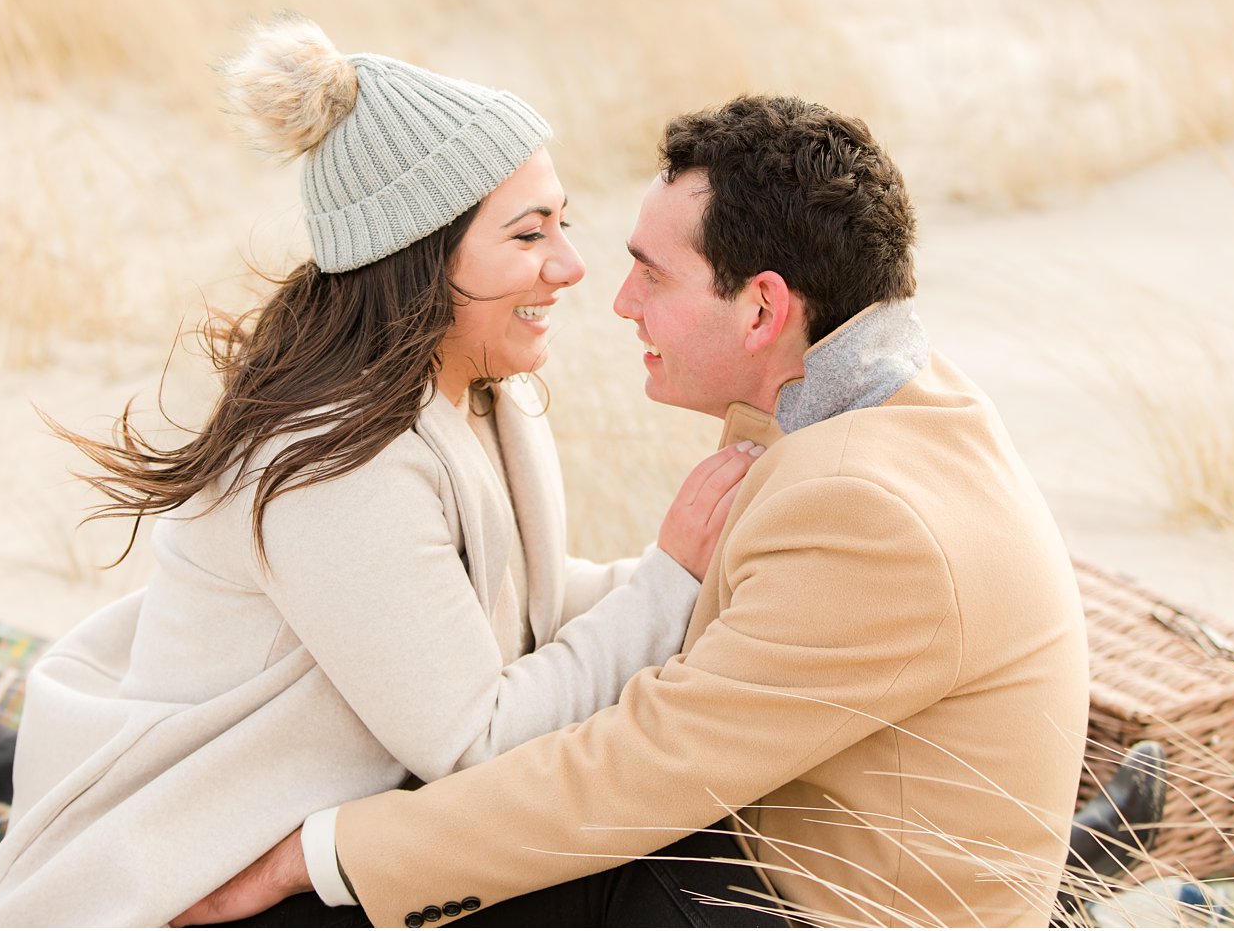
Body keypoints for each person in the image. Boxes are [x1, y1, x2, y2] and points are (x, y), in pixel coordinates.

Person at [0, 17, 768, 928]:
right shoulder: (341, 460)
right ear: (421, 256)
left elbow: (511, 615)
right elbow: (477, 741)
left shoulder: (475, 391)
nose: (572, 265)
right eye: (527, 234)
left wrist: (712, 577)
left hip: (315, 812)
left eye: (564, 223)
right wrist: (668, 583)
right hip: (226, 878)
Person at [169, 97, 1096, 929]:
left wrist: (317, 854)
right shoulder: (888, 403)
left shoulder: (864, 505)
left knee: (344, 901)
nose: (615, 300)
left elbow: (633, 770)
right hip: (761, 857)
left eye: (651, 274)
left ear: (764, 306)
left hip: (796, 905)